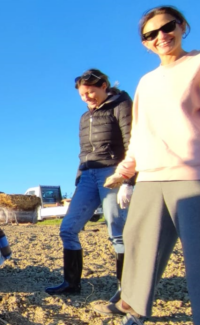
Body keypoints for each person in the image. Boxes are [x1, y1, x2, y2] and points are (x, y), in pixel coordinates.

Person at [95, 6, 200, 325]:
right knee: (139, 243)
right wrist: (125, 170)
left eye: (167, 27)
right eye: (150, 34)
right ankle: (131, 304)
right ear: (145, 43)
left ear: (182, 27)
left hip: (198, 172)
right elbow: (140, 134)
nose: (160, 36)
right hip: (151, 176)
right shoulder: (146, 82)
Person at [45, 70, 133, 296]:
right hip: (87, 175)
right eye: (82, 95)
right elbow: (84, 151)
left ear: (104, 85)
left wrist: (128, 179)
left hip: (113, 172)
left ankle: (127, 290)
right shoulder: (85, 117)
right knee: (68, 228)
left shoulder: (121, 104)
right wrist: (79, 177)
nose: (86, 98)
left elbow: (131, 139)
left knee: (117, 230)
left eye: (90, 92)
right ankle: (71, 284)